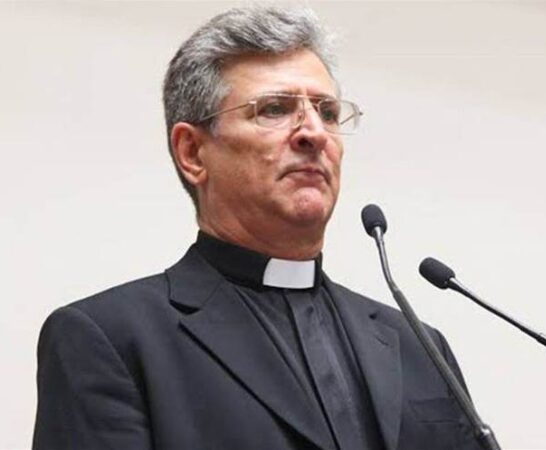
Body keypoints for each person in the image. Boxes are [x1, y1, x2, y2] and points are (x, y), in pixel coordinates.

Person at [33, 6, 484, 450]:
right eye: (274, 109)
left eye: (327, 112)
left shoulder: (419, 345)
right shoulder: (111, 339)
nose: (314, 133)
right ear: (192, 152)